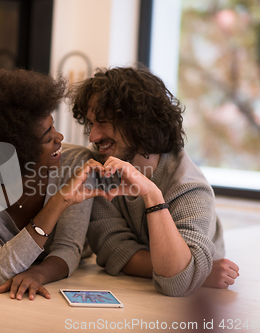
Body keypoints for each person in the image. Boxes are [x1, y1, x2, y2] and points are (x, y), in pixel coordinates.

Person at [71, 67, 240, 297]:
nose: (92, 137)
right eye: (91, 124)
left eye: (104, 123)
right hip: (135, 291)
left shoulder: (190, 187)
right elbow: (112, 249)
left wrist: (152, 195)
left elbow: (176, 284)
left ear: (140, 124)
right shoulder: (98, 167)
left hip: (199, 305)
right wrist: (194, 272)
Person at [0, 68, 108, 301]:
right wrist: (57, 202)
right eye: (47, 137)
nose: (60, 137)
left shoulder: (77, 165)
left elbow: (68, 248)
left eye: (53, 126)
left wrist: (39, 273)